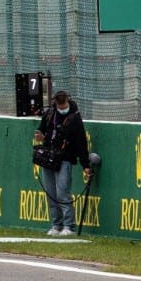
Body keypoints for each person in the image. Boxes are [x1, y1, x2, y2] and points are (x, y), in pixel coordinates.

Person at [37, 90, 88, 236]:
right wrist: (41, 136)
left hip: (64, 158)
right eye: (59, 105)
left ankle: (68, 225)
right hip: (48, 157)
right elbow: (41, 130)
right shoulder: (49, 114)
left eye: (63, 104)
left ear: (67, 101)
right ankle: (56, 224)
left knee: (62, 192)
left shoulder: (74, 118)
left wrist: (85, 164)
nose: (62, 107)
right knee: (51, 193)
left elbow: (81, 142)